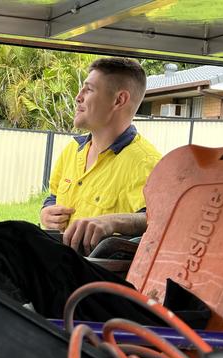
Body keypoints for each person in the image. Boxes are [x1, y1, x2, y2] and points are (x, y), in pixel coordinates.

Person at [40, 57, 161, 255]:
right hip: (57, 264)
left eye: (88, 90)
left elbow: (161, 220)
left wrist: (112, 222)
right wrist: (46, 213)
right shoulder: (72, 150)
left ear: (118, 100)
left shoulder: (147, 163)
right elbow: (53, 197)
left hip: (98, 279)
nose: (78, 97)